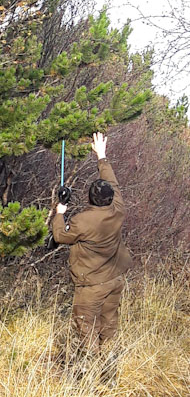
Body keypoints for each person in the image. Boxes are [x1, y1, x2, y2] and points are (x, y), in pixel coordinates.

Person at [51, 132, 132, 358]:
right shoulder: (118, 208)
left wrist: (60, 212)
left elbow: (59, 236)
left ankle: (92, 376)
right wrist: (101, 156)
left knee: (86, 329)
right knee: (108, 327)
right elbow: (112, 183)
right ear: (110, 197)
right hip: (114, 280)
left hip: (91, 286)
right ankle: (108, 367)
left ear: (89, 198)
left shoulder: (83, 221)